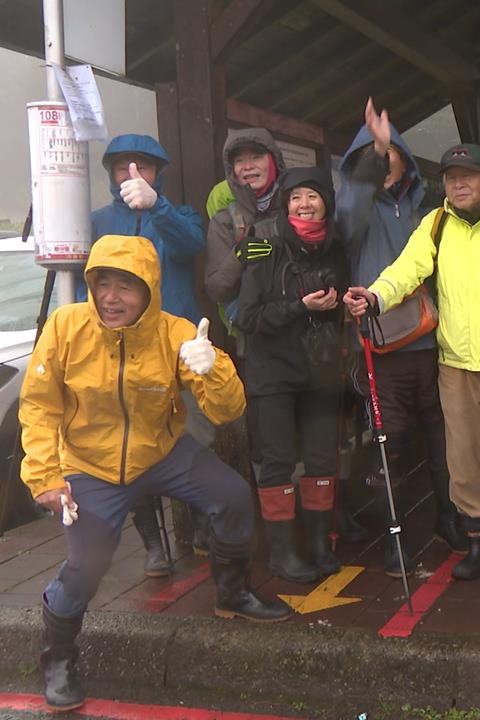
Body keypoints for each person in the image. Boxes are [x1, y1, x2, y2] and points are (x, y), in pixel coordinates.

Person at [20, 235, 290, 712]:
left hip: (161, 451)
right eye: (103, 283)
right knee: (86, 566)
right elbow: (39, 407)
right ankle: (58, 658)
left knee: (231, 496)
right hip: (90, 465)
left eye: (125, 285)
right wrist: (46, 477)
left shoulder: (175, 331)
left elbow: (227, 411)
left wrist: (213, 369)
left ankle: (232, 591)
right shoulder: (65, 326)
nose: (111, 296)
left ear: (149, 289)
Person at [345, 143, 480, 582]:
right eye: (451, 177)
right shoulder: (435, 224)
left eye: (469, 175)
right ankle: (478, 543)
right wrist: (375, 296)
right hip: (456, 366)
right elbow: (406, 269)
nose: (459, 184)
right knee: (465, 461)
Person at [336, 99, 465, 575]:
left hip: (430, 341)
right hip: (378, 347)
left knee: (441, 436)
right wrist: (376, 151)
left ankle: (447, 519)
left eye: (389, 156)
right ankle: (394, 539)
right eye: (372, 158)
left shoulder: (426, 211)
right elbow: (348, 211)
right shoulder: (353, 210)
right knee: (389, 442)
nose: (383, 163)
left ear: (407, 163)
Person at [82, 134, 206, 579]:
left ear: (158, 173)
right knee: (131, 446)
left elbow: (192, 245)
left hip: (175, 346)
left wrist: (158, 206)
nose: (132, 174)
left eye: (144, 166)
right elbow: (86, 288)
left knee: (193, 437)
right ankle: (154, 545)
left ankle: (200, 526)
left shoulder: (180, 214)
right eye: (122, 167)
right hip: (120, 353)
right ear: (110, 173)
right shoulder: (95, 221)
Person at [236, 168, 349, 584]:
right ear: (285, 205)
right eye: (296, 197)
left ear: (326, 204)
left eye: (313, 196)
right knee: (278, 462)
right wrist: (301, 307)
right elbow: (247, 316)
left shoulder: (335, 247)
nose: (305, 204)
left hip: (320, 372)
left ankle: (320, 545)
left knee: (321, 458)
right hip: (273, 374)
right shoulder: (262, 243)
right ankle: (282, 554)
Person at [205, 128, 287, 310]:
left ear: (274, 161)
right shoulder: (225, 220)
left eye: (256, 157)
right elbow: (216, 289)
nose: (247, 166)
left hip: (303, 323)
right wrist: (238, 257)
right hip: (256, 330)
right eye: (239, 161)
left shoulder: (295, 207)